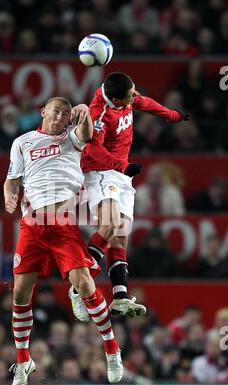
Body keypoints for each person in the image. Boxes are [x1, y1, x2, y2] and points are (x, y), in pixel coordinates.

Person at [4, 96, 123, 385]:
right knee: (20, 293)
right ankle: (23, 361)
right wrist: (9, 193)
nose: (61, 116)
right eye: (57, 111)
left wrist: (82, 114)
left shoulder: (71, 138)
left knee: (85, 285)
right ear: (43, 111)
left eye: (66, 113)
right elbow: (12, 178)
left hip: (61, 224)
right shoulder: (22, 142)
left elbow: (85, 134)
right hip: (31, 226)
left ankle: (112, 349)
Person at [68, 72, 190, 321]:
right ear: (115, 98)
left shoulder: (126, 95)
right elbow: (93, 148)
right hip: (101, 171)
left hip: (121, 175)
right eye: (129, 96)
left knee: (120, 235)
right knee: (110, 223)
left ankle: (120, 296)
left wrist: (172, 116)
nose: (134, 97)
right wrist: (120, 166)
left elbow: (145, 102)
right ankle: (78, 285)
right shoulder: (98, 114)